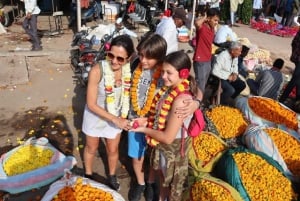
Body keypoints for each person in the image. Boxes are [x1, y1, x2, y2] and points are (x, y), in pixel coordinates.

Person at [128, 33, 199, 201]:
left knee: (168, 180)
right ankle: (144, 185)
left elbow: (167, 137)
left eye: (168, 73)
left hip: (169, 145)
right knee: (154, 167)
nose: (163, 76)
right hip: (151, 128)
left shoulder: (178, 94)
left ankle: (153, 186)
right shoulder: (167, 86)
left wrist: (196, 103)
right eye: (141, 55)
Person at [81, 35, 134, 191]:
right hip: (95, 114)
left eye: (120, 58)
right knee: (91, 147)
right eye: (111, 55)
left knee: (112, 149)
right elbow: (91, 103)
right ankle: (88, 174)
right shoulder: (98, 71)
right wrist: (115, 120)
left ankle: (111, 174)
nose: (114, 61)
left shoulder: (129, 72)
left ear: (128, 58)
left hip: (115, 115)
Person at [128, 33, 167, 201]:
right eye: (141, 55)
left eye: (148, 58)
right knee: (137, 155)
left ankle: (151, 182)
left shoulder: (165, 74)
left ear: (159, 58)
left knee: (153, 156)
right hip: (134, 120)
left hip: (155, 124)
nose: (143, 60)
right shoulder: (134, 65)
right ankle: (140, 182)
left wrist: (194, 102)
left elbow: (187, 88)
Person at [193, 8, 220, 101]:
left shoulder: (212, 28)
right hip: (200, 60)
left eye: (217, 20)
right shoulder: (202, 27)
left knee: (203, 83)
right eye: (215, 20)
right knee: (200, 84)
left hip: (207, 59)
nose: (216, 22)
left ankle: (198, 100)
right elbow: (196, 23)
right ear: (208, 19)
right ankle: (196, 102)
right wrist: (205, 17)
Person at [212, 41, 246, 105]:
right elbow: (215, 71)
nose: (240, 53)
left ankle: (229, 99)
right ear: (233, 51)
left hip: (230, 76)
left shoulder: (235, 56)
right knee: (230, 90)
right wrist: (227, 77)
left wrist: (235, 73)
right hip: (220, 77)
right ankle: (218, 103)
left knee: (242, 85)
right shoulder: (223, 56)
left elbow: (235, 66)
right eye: (239, 51)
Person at [279, 27, 300, 104]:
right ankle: (282, 100)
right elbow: (294, 43)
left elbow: (294, 43)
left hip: (297, 57)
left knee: (297, 79)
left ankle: (297, 99)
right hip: (298, 58)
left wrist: (295, 54)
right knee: (295, 79)